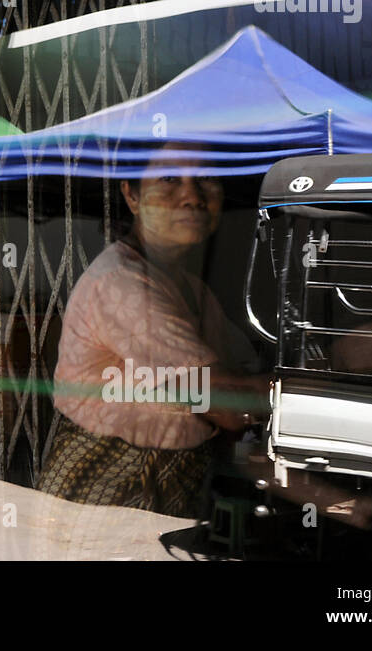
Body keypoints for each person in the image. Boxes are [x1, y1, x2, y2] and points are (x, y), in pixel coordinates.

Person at [37, 144, 267, 518]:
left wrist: (344, 506)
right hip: (106, 498)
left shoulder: (194, 293)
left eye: (206, 178)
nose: (192, 197)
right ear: (132, 195)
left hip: (165, 498)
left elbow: (242, 393)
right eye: (169, 179)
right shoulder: (120, 284)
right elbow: (229, 404)